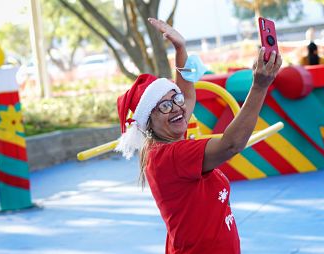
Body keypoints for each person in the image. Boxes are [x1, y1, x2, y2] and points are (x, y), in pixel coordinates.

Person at [115, 18, 282, 253]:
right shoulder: (172, 155)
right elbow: (231, 144)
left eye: (175, 99)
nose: (176, 107)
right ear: (148, 121)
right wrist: (259, 86)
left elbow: (187, 97)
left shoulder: (164, 141)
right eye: (164, 106)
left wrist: (180, 49)